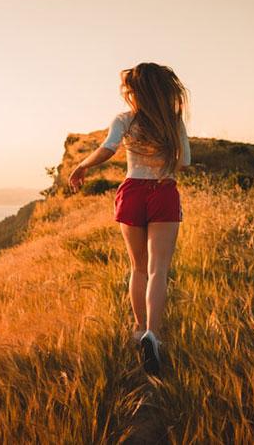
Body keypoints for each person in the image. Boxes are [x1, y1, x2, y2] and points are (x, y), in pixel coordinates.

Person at [68, 62, 191, 376]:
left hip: (132, 190)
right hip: (164, 191)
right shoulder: (172, 122)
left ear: (134, 92)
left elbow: (107, 149)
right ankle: (154, 333)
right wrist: (165, 172)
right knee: (158, 269)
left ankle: (138, 329)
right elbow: (185, 162)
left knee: (138, 268)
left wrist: (82, 166)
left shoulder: (124, 120)